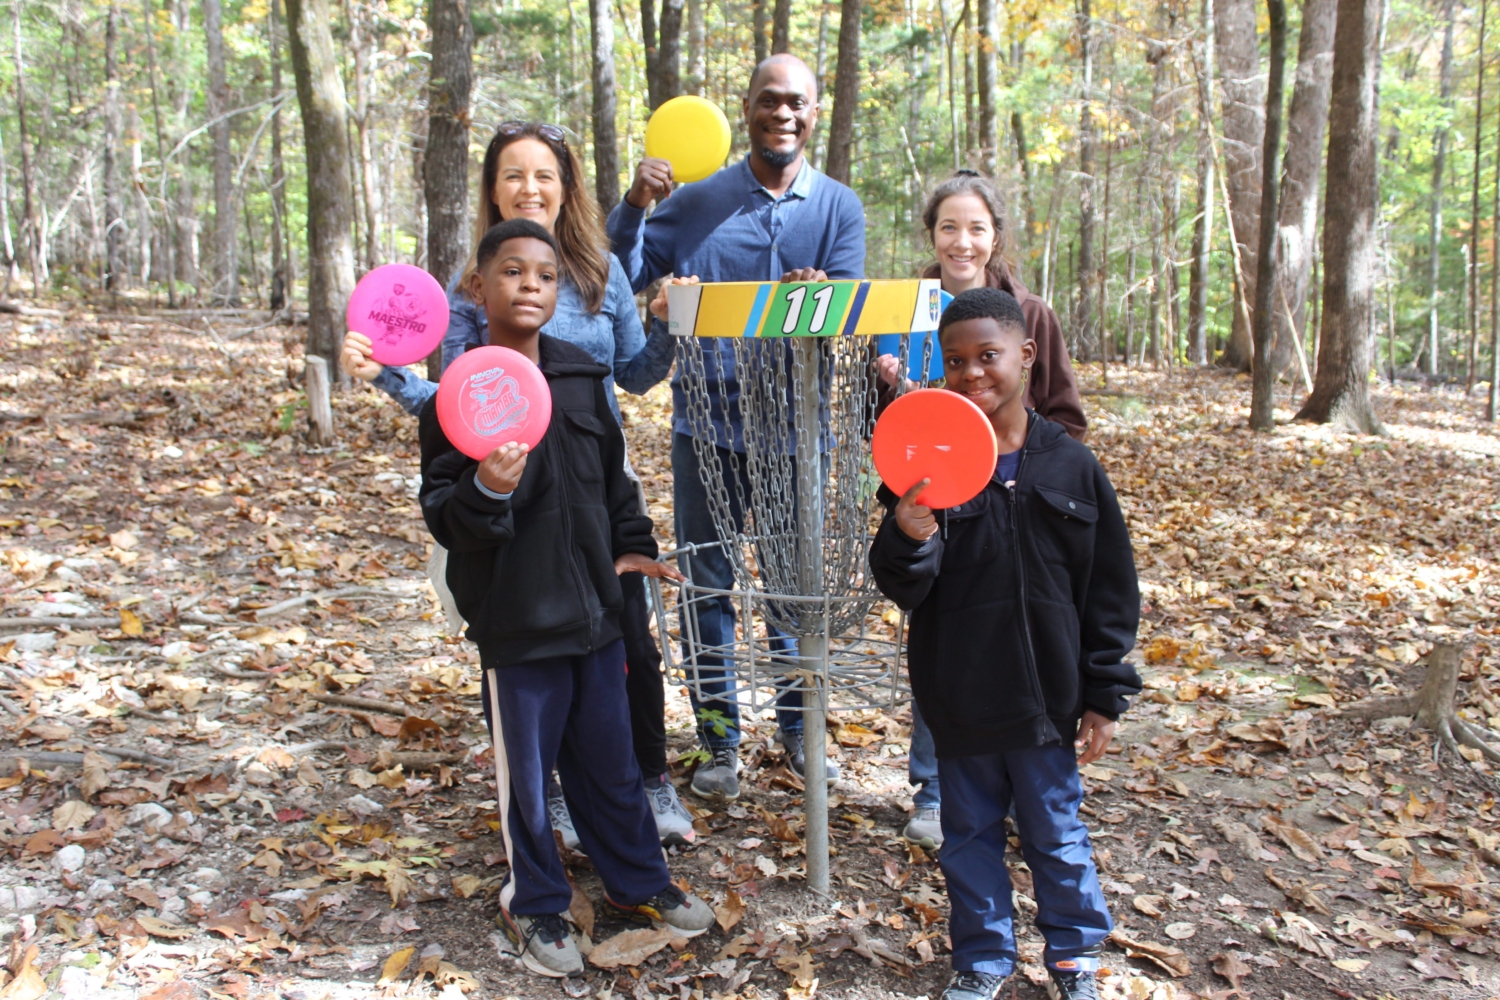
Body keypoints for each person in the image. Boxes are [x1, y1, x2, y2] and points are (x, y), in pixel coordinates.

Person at [340, 121, 691, 846]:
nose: (529, 188)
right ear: (491, 190)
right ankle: (546, 799)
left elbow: (634, 376)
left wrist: (667, 326)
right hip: (507, 496)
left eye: (544, 176)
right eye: (512, 175)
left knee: (629, 638)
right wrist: (385, 376)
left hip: (598, 484)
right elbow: (452, 404)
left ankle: (649, 782)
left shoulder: (599, 271)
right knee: (525, 646)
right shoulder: (470, 288)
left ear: (566, 190)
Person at [419, 219, 716, 980]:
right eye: (511, 272)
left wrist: (633, 550)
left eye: (544, 275)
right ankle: (539, 902)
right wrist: (488, 487)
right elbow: (445, 514)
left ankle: (638, 883)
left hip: (597, 610)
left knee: (613, 763)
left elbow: (614, 484)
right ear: (477, 289)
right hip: (517, 621)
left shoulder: (583, 375)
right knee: (530, 777)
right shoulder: (457, 397)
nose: (529, 285)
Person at [868, 288, 1141, 1000]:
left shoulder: (1071, 466)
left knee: (1055, 830)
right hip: (959, 695)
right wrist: (910, 531)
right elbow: (903, 582)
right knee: (968, 836)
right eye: (954, 361)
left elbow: (1109, 591)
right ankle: (983, 959)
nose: (972, 374)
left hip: (1049, 700)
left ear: (1025, 354)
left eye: (988, 356)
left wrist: (1104, 694)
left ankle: (1076, 957)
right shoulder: (926, 465)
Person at [608, 54, 865, 800]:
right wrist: (634, 205)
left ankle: (798, 734)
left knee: (793, 589)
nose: (783, 114)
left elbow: (847, 310)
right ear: (745, 107)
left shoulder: (837, 207)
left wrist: (821, 298)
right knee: (705, 588)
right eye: (769, 101)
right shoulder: (696, 200)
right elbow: (623, 282)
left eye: (798, 104)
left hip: (798, 429)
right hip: (707, 427)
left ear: (815, 113)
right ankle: (720, 741)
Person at [880, 169, 1088, 851]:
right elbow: (883, 428)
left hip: (1017, 512)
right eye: (948, 227)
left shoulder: (1031, 313)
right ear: (932, 235)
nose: (961, 240)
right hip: (938, 507)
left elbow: (1064, 417)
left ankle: (1026, 783)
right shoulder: (902, 310)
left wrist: (1025, 475)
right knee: (942, 641)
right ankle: (936, 789)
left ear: (995, 235)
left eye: (976, 227)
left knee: (1020, 644)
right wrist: (897, 395)